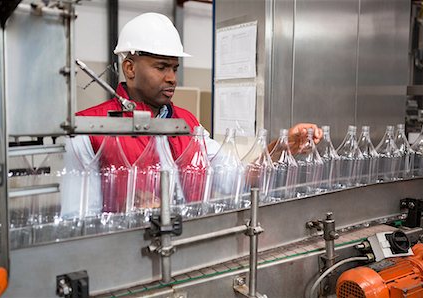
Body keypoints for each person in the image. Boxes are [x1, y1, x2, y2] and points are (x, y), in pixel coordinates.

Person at [66, 13, 322, 216]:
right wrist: (130, 214)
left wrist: (280, 148)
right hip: (129, 259)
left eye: (175, 68)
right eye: (161, 67)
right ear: (130, 68)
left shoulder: (188, 125)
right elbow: (76, 218)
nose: (171, 78)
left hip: (189, 248)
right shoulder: (90, 130)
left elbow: (239, 179)